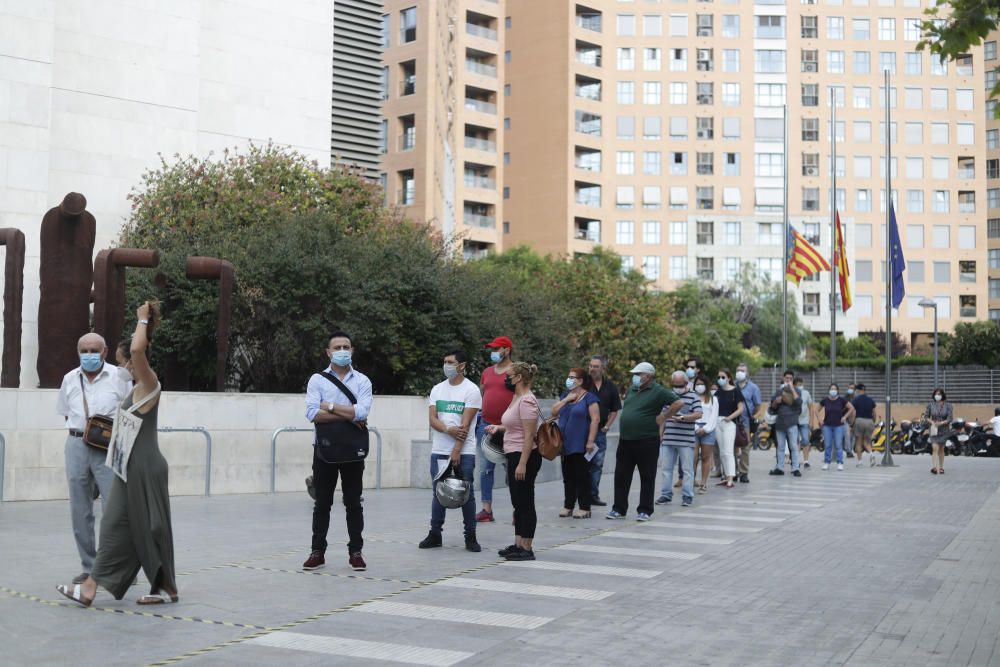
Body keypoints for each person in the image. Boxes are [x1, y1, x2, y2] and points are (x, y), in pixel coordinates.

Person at [57, 301, 177, 607]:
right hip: (129, 464)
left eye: (126, 364)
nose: (124, 369)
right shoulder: (136, 387)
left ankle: (158, 587)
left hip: (146, 466)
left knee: (149, 525)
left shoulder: (149, 384)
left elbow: (138, 351)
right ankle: (97, 586)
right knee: (124, 525)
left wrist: (142, 320)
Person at [56, 332, 131, 585]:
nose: (89, 355)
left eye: (94, 350)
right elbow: (66, 414)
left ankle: (119, 567)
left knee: (114, 508)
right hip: (76, 443)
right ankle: (90, 568)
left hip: (109, 446)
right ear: (78, 353)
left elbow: (130, 412)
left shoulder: (120, 377)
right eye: (84, 351)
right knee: (80, 509)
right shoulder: (68, 379)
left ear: (105, 351)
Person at [302, 331, 373, 572]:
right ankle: (317, 552)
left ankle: (356, 552)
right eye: (337, 347)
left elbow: (362, 413)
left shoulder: (362, 380)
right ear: (328, 352)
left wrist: (329, 406)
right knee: (322, 503)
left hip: (353, 450)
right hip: (324, 450)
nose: (342, 351)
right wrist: (348, 413)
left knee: (354, 503)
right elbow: (312, 414)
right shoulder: (317, 380)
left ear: (352, 350)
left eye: (346, 346)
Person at [420, 350, 482, 552]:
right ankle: (435, 534)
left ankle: (470, 536)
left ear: (462, 366)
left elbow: (465, 426)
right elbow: (433, 419)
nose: (446, 365)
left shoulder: (471, 390)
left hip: (463, 452)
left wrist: (456, 451)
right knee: (438, 492)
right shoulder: (437, 389)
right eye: (445, 361)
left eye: (451, 362)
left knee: (466, 493)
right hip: (439, 450)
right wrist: (447, 429)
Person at [607, 362, 681, 521]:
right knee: (621, 475)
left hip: (647, 440)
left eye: (638, 374)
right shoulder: (632, 389)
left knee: (647, 476)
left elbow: (678, 402)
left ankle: (645, 510)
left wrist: (664, 417)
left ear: (648, 376)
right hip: (626, 440)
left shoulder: (658, 391)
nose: (634, 377)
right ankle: (619, 509)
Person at [487, 362, 542, 561]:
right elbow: (513, 426)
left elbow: (529, 435)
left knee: (525, 501)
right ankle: (518, 543)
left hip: (524, 455)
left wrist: (522, 464)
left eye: (509, 375)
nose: (506, 379)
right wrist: (498, 428)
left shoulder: (528, 401)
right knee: (517, 502)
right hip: (514, 453)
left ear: (519, 377)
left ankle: (527, 548)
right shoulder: (517, 398)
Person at [475, 336, 515, 523]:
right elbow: (483, 394)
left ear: (507, 350)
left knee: (512, 469)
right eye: (492, 349)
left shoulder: (516, 371)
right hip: (486, 425)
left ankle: (518, 508)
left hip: (509, 427)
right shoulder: (487, 372)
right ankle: (486, 509)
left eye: (497, 349)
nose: (493, 352)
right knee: (485, 469)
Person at [551, 367, 599, 518]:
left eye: (572, 377)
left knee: (582, 476)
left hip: (581, 444)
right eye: (569, 376)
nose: (569, 379)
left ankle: (585, 507)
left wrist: (590, 441)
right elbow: (554, 412)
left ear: (580, 381)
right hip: (565, 444)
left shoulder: (589, 397)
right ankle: (568, 505)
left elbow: (595, 420)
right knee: (568, 477)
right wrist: (566, 400)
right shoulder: (566, 395)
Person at [656, 371, 703, 507]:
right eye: (674, 385)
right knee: (666, 469)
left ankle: (687, 496)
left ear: (686, 383)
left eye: (680, 385)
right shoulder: (669, 396)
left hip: (686, 440)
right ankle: (666, 495)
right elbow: (663, 416)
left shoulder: (693, 396)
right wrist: (660, 435)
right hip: (668, 440)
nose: (677, 387)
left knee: (688, 470)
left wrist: (683, 418)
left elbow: (699, 414)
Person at [587, 355, 621, 507]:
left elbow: (614, 410)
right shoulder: (583, 384)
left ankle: (593, 495)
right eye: (591, 366)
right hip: (583, 431)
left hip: (600, 432)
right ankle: (579, 495)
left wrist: (607, 426)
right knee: (581, 464)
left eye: (596, 366)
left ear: (603, 369)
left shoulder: (610, 386)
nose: (592, 369)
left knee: (597, 464)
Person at [713, 369, 744, 488]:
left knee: (728, 451)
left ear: (729, 378)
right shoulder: (718, 392)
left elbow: (741, 409)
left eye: (723, 377)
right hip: (718, 422)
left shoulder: (736, 391)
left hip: (729, 423)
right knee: (721, 452)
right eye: (719, 377)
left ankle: (731, 477)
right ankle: (726, 477)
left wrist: (729, 418)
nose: (720, 379)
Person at [768, 371, 802, 476]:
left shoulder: (796, 390)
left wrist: (791, 388)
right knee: (780, 447)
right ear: (783, 378)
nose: (788, 380)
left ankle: (795, 468)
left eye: (790, 378)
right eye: (786, 378)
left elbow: (799, 402)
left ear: (793, 380)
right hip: (780, 423)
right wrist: (776, 402)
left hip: (792, 423)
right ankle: (780, 468)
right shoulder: (779, 391)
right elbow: (772, 407)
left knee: (793, 446)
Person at [817, 383, 855, 471]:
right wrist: (820, 420)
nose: (833, 391)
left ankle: (840, 462)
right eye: (831, 389)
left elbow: (851, 408)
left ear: (837, 391)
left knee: (838, 445)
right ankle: (827, 462)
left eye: (834, 389)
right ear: (829, 390)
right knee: (827, 445)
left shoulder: (841, 400)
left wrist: (845, 417)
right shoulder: (825, 400)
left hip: (839, 426)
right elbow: (816, 409)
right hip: (827, 426)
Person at [734, 362, 761, 483]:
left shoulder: (753, 388)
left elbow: (757, 405)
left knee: (745, 447)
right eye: (738, 370)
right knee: (731, 448)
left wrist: (752, 415)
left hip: (745, 422)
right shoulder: (731, 386)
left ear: (747, 373)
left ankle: (743, 472)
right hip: (731, 421)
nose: (740, 372)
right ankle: (732, 471)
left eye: (742, 370)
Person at [692, 375, 719, 495]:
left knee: (705, 457)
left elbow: (714, 416)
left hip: (708, 430)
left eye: (701, 384)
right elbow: (690, 413)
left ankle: (703, 484)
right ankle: (690, 481)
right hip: (694, 428)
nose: (699, 386)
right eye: (697, 384)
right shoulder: (692, 397)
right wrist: (696, 427)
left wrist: (706, 429)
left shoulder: (713, 399)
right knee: (693, 457)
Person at [925, 388, 953, 475]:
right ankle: (934, 467)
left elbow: (950, 418)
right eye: (936, 394)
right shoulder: (930, 405)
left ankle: (940, 467)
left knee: (941, 448)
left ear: (942, 395)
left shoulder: (948, 405)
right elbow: (926, 417)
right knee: (934, 447)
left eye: (939, 394)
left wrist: (941, 423)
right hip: (934, 429)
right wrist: (932, 422)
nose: (937, 395)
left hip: (944, 429)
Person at [851, 383, 879, 467]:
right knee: (867, 442)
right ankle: (871, 454)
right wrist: (873, 422)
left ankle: (860, 462)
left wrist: (852, 424)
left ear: (858, 390)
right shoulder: (870, 400)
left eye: (856, 390)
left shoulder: (856, 400)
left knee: (858, 442)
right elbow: (874, 413)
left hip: (859, 421)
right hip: (869, 421)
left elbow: (853, 412)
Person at [795, 377, 816, 469]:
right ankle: (795, 460)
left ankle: (806, 461)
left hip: (804, 421)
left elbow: (811, 407)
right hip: (794, 421)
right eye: (798, 384)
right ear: (794, 385)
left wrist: (811, 421)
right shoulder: (792, 393)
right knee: (795, 442)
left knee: (806, 440)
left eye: (801, 384)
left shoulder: (806, 393)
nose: (800, 386)